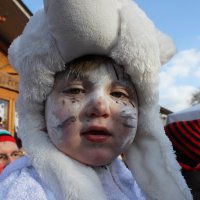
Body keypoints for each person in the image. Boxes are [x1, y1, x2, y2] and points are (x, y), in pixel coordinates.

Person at [0, 0, 192, 199]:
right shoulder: (25, 188)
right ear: (40, 113)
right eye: (75, 90)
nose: (100, 106)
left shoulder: (131, 181)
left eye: (118, 94)